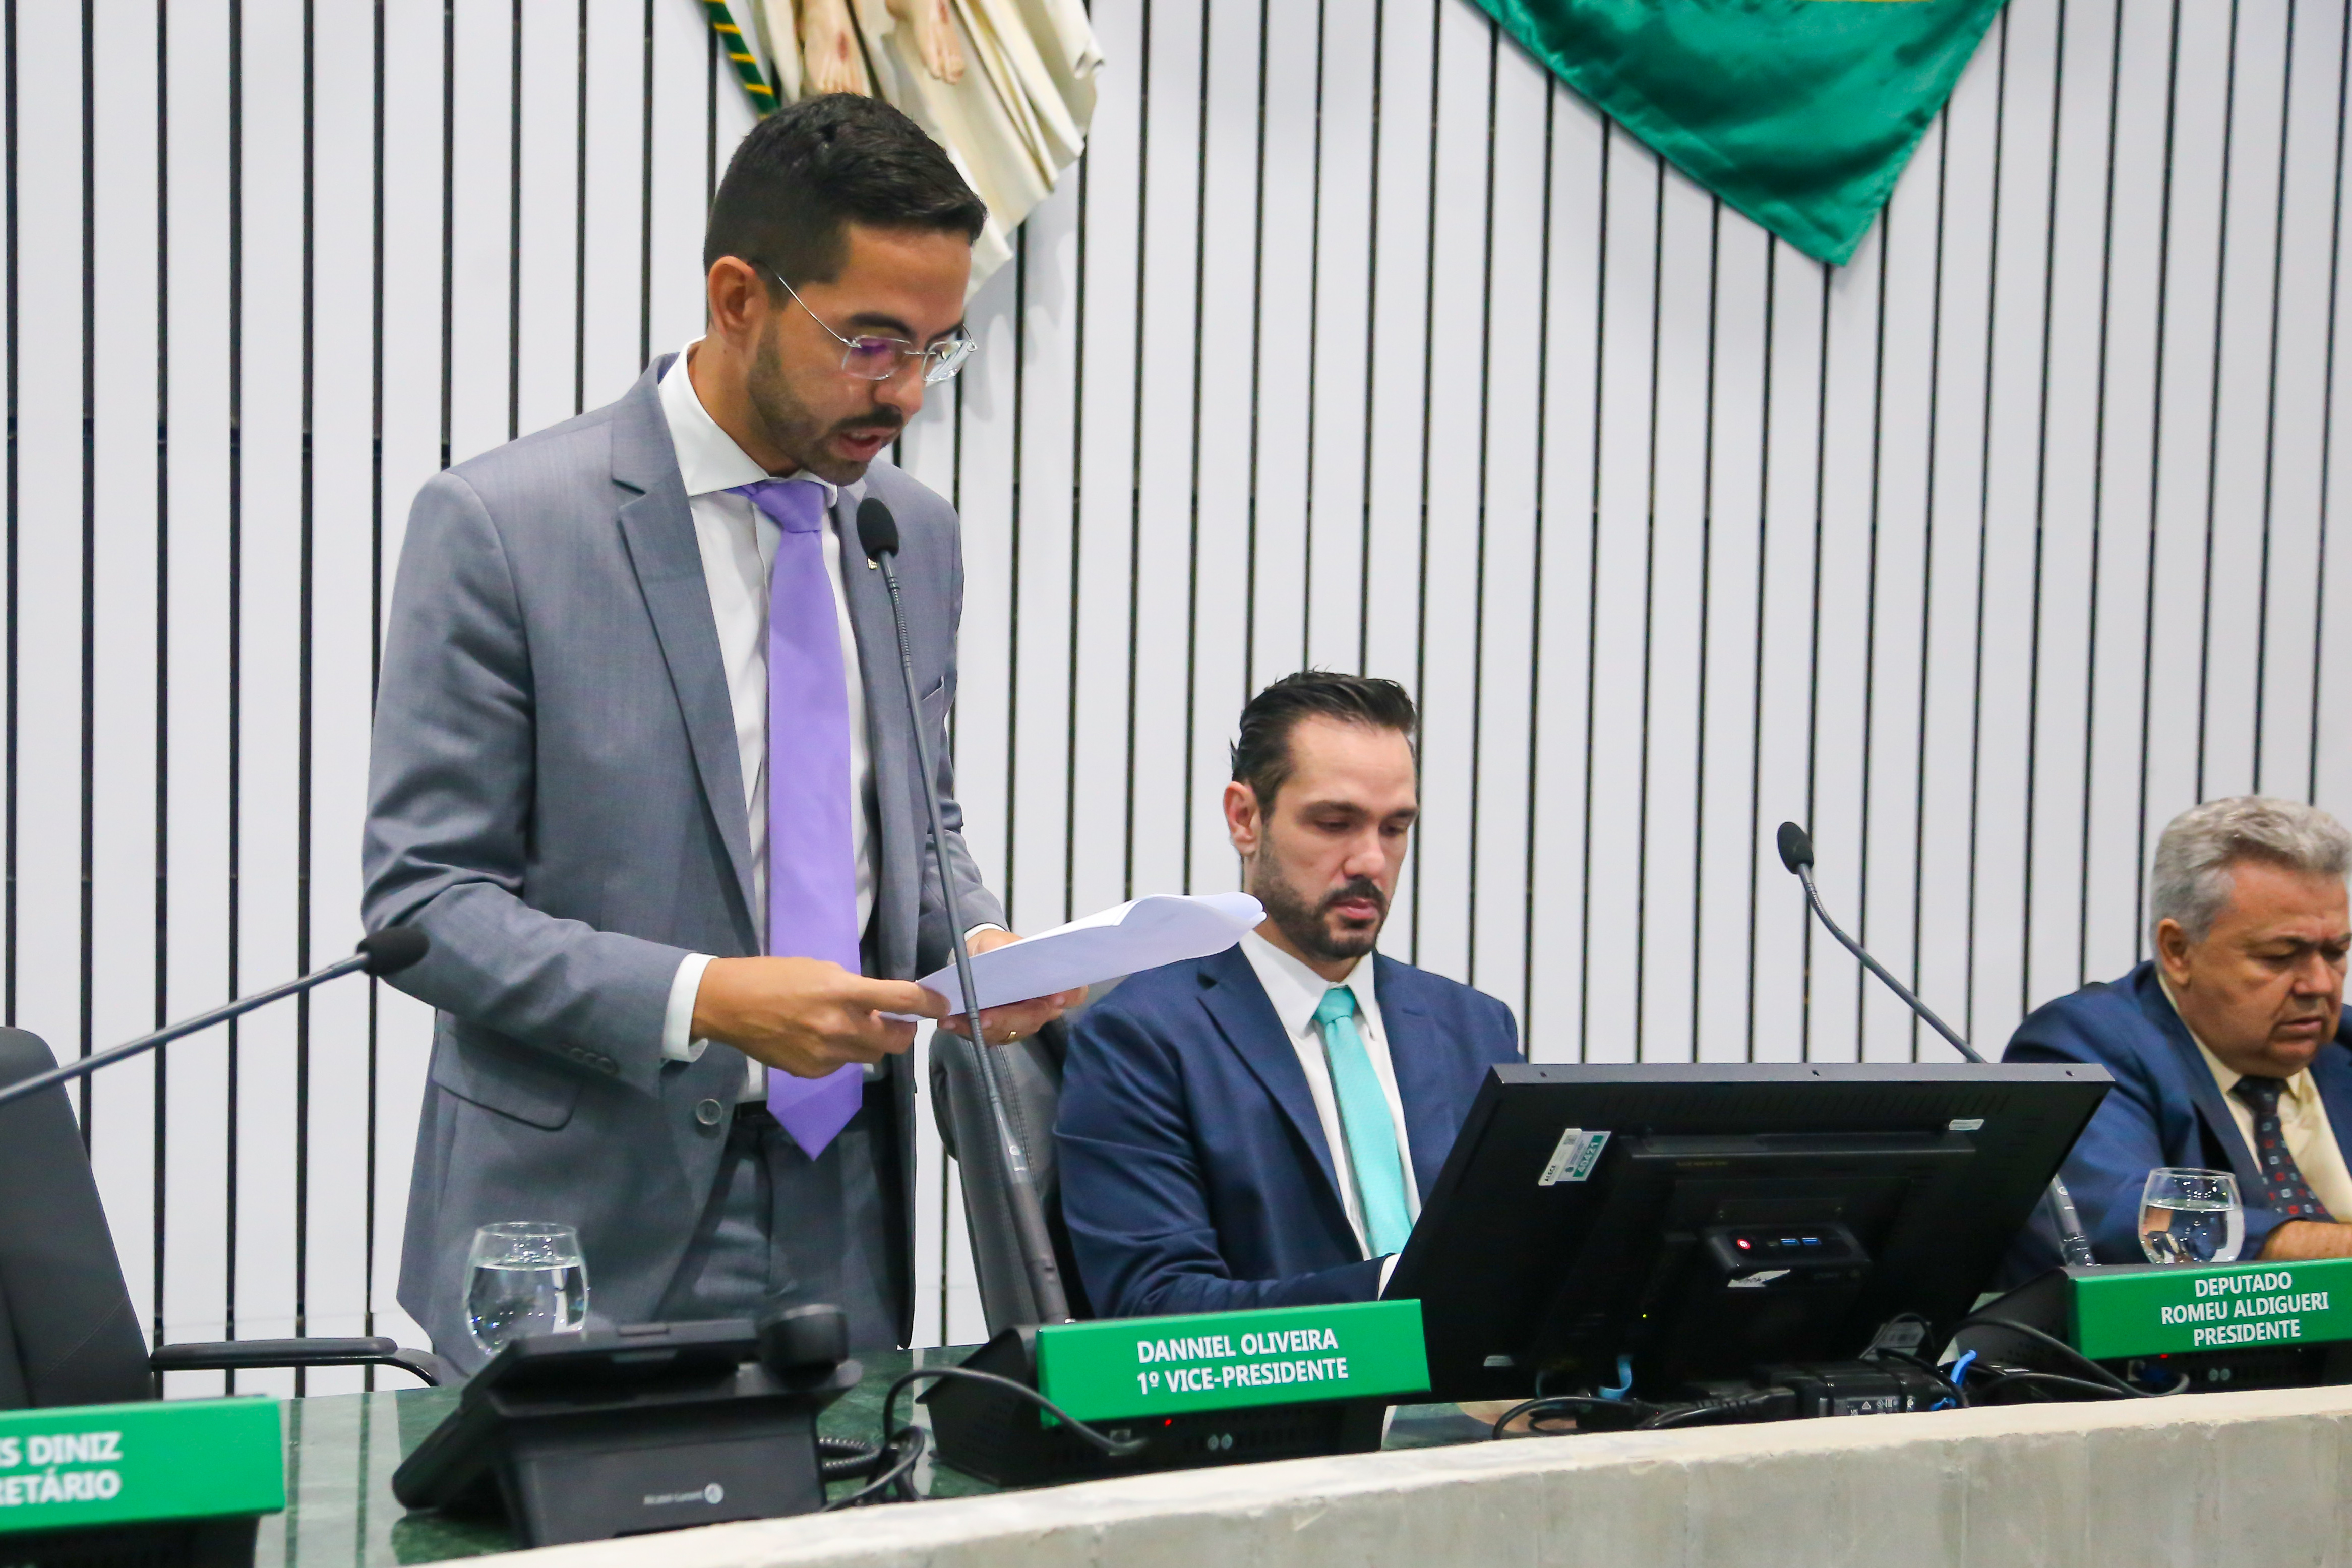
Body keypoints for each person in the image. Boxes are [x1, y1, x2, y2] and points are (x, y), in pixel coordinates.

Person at [364, 94, 1074, 1368]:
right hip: (579, 1219)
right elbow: (428, 907)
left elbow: (915, 827)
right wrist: (706, 1000)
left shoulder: (909, 535)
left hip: (846, 1203)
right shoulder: (503, 527)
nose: (907, 393)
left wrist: (978, 943)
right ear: (739, 297)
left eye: (937, 348)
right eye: (870, 342)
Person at [1055, 672, 1522, 1317]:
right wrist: (1402, 1289)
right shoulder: (1143, 1039)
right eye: (1335, 823)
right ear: (1245, 818)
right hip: (1293, 1381)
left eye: (1395, 828)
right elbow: (1156, 1304)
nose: (1371, 861)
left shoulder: (1475, 1028)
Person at [2005, 796, 2352, 1265]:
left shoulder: (2343, 1042)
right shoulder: (2086, 1045)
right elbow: (2116, 1218)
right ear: (2177, 951)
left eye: (2335, 953)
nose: (2319, 984)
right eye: (2280, 956)